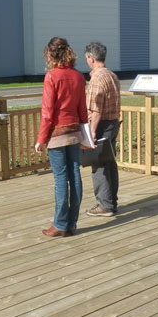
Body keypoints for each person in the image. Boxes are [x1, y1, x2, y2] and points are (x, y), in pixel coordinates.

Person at [34, 37, 88, 237]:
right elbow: (82, 109)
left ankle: (59, 224)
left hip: (57, 134)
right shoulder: (78, 76)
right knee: (74, 175)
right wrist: (85, 135)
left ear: (50, 54)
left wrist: (41, 139)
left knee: (60, 178)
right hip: (74, 131)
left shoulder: (51, 77)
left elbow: (47, 112)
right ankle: (71, 223)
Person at [83, 42, 121, 218]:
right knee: (109, 163)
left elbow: (96, 110)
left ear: (91, 58)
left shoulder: (97, 78)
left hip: (102, 125)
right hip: (113, 123)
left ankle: (105, 205)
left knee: (99, 166)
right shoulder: (111, 75)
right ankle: (111, 201)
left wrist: (91, 131)